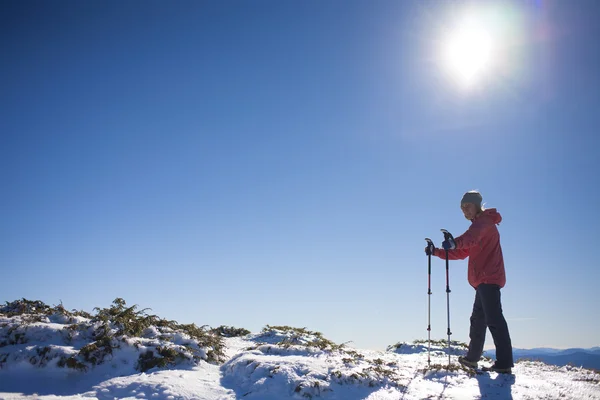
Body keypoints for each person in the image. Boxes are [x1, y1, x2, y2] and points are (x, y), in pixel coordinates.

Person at [425, 190, 514, 373]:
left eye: (468, 206)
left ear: (477, 205)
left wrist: (454, 243)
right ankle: (472, 359)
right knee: (478, 320)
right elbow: (462, 251)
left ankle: (504, 363)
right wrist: (437, 251)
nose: (464, 210)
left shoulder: (484, 223)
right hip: (482, 281)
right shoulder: (478, 226)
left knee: (494, 319)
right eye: (462, 208)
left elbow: (467, 240)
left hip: (489, 278)